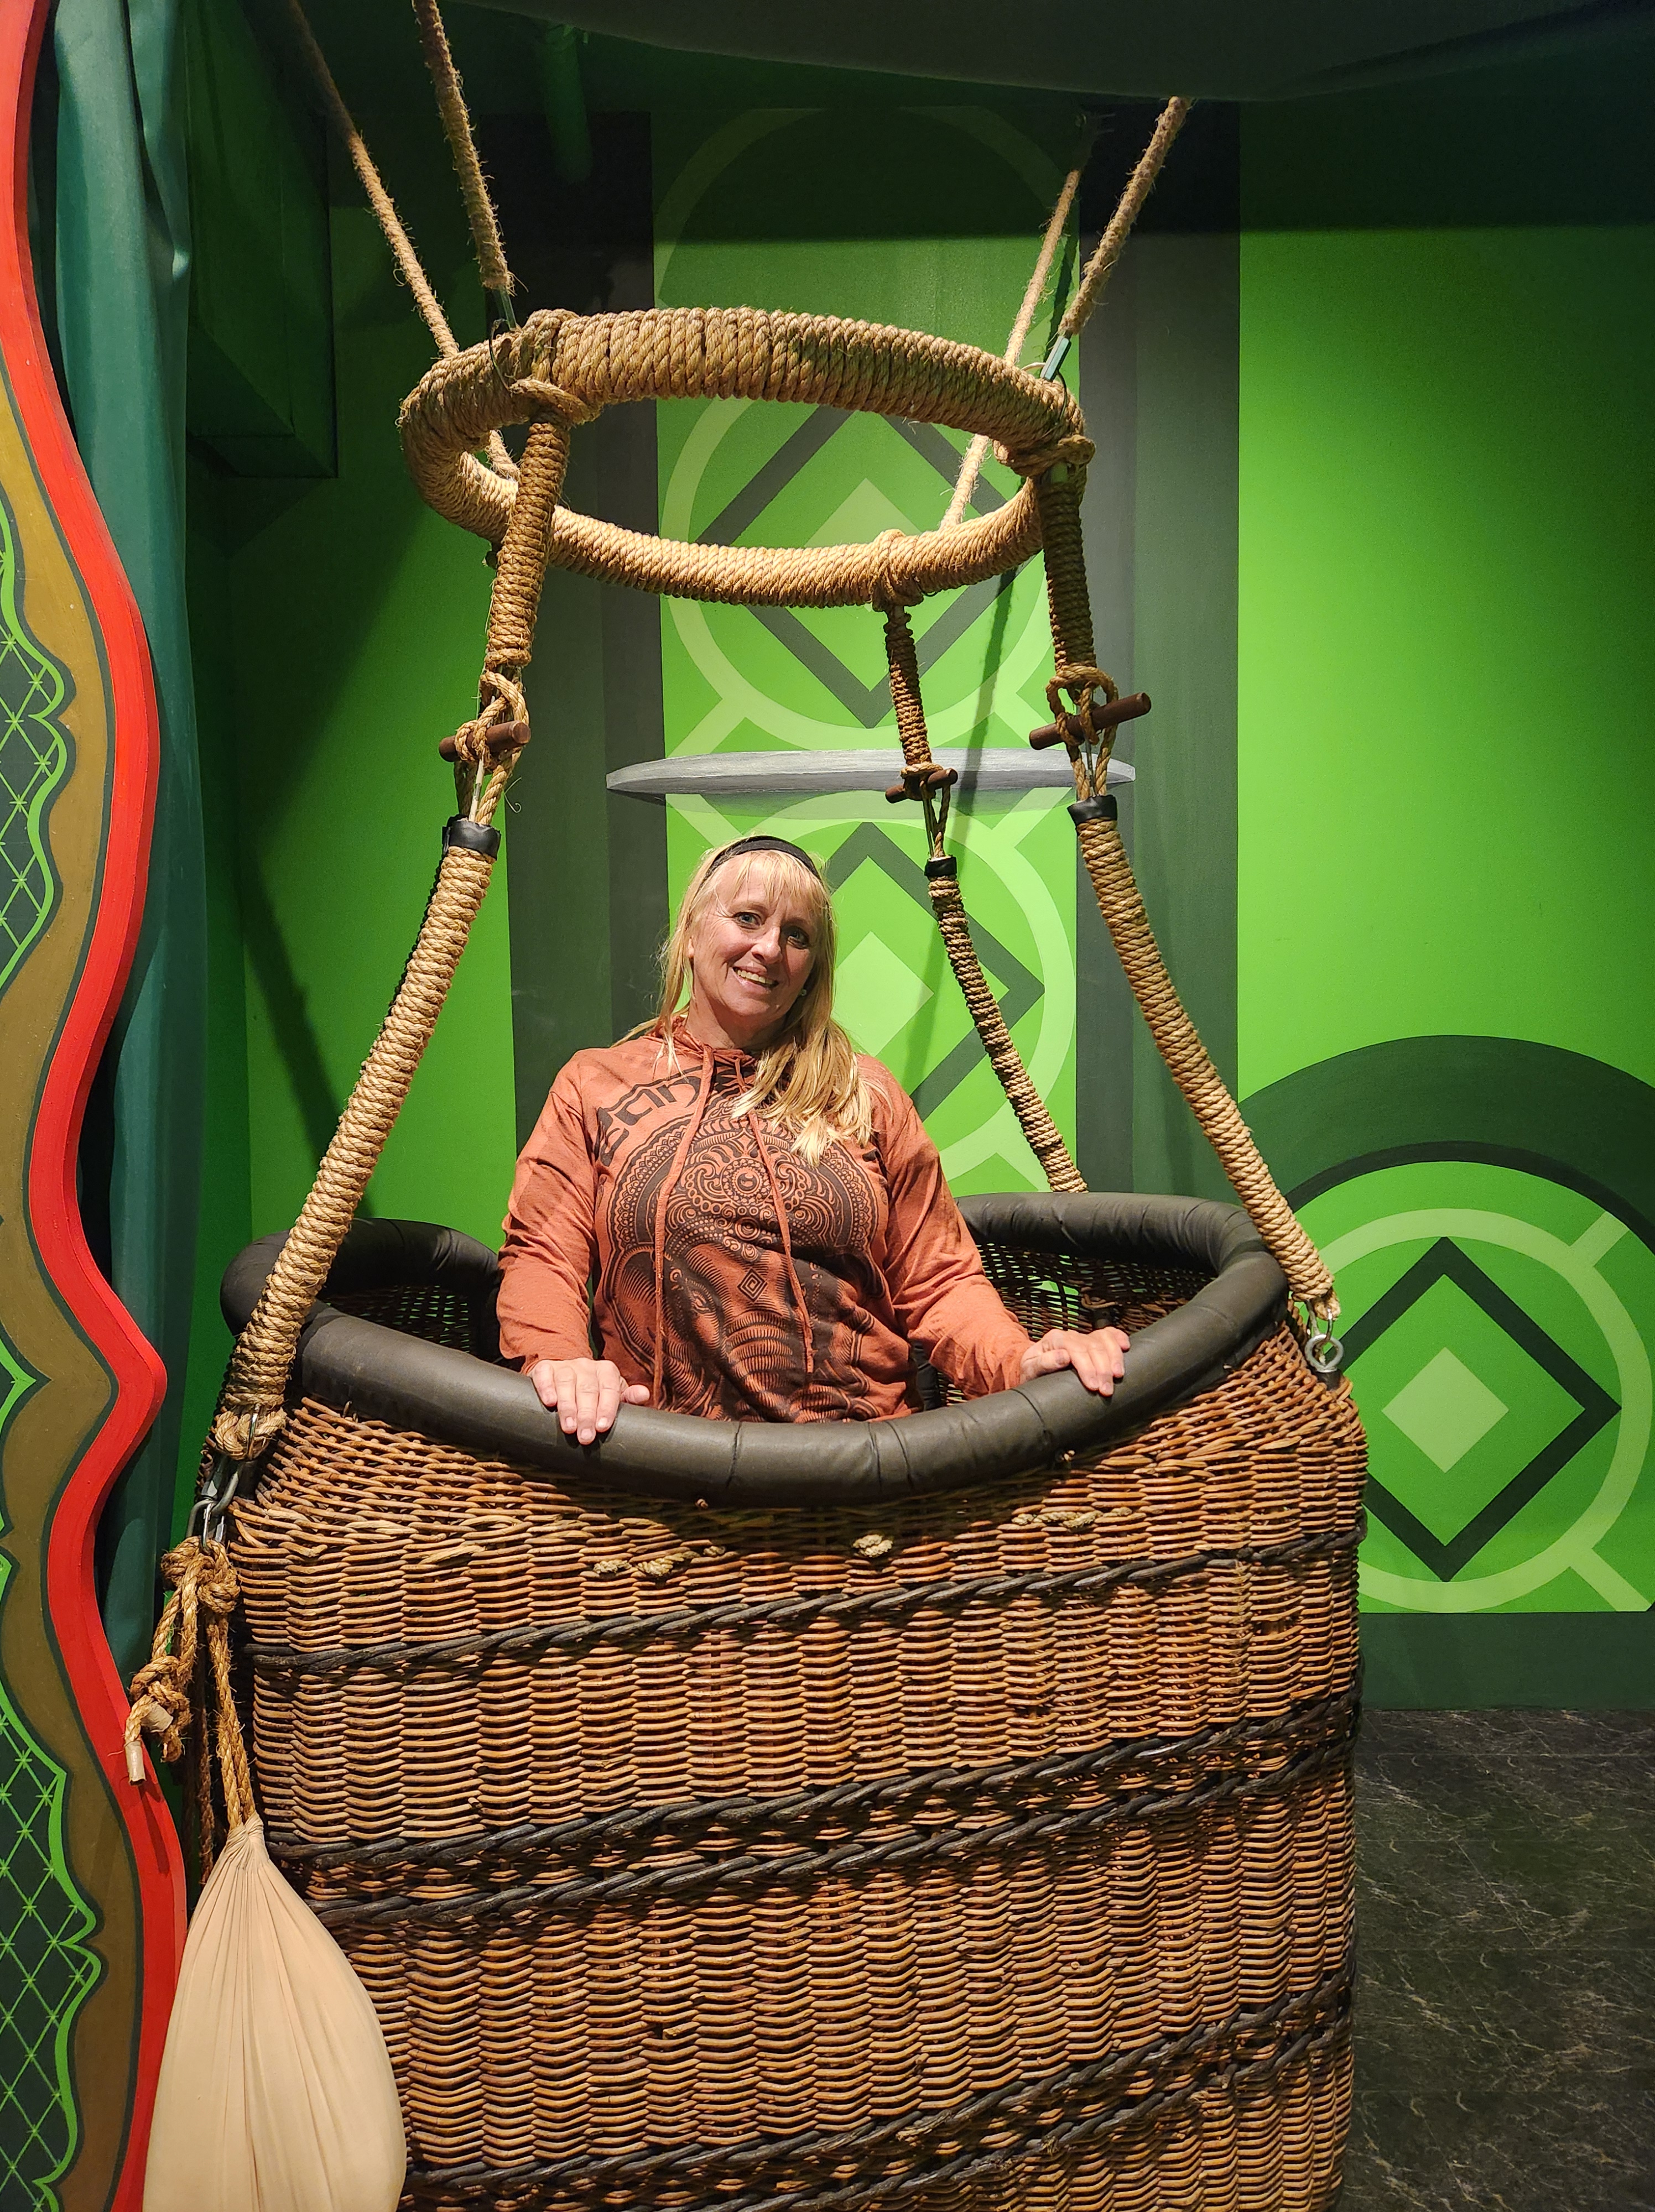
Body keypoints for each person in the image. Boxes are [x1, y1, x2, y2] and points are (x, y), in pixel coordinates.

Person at [497, 835, 1128, 1442]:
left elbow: (939, 1278)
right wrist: (561, 1361)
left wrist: (1017, 1360)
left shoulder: (867, 1092)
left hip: (865, 1461)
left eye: (797, 935)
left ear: (812, 970)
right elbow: (543, 1254)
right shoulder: (593, 1084)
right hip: (668, 1459)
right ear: (690, 932)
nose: (770, 949)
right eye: (748, 919)